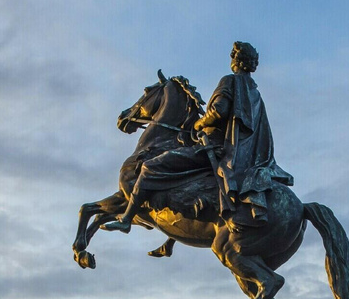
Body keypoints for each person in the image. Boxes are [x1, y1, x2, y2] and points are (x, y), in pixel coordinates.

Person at [103, 41, 291, 232]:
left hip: (214, 148)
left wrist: (198, 124)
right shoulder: (255, 94)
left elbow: (218, 111)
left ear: (235, 60)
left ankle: (127, 219)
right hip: (239, 155)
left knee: (150, 167)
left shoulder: (230, 81)